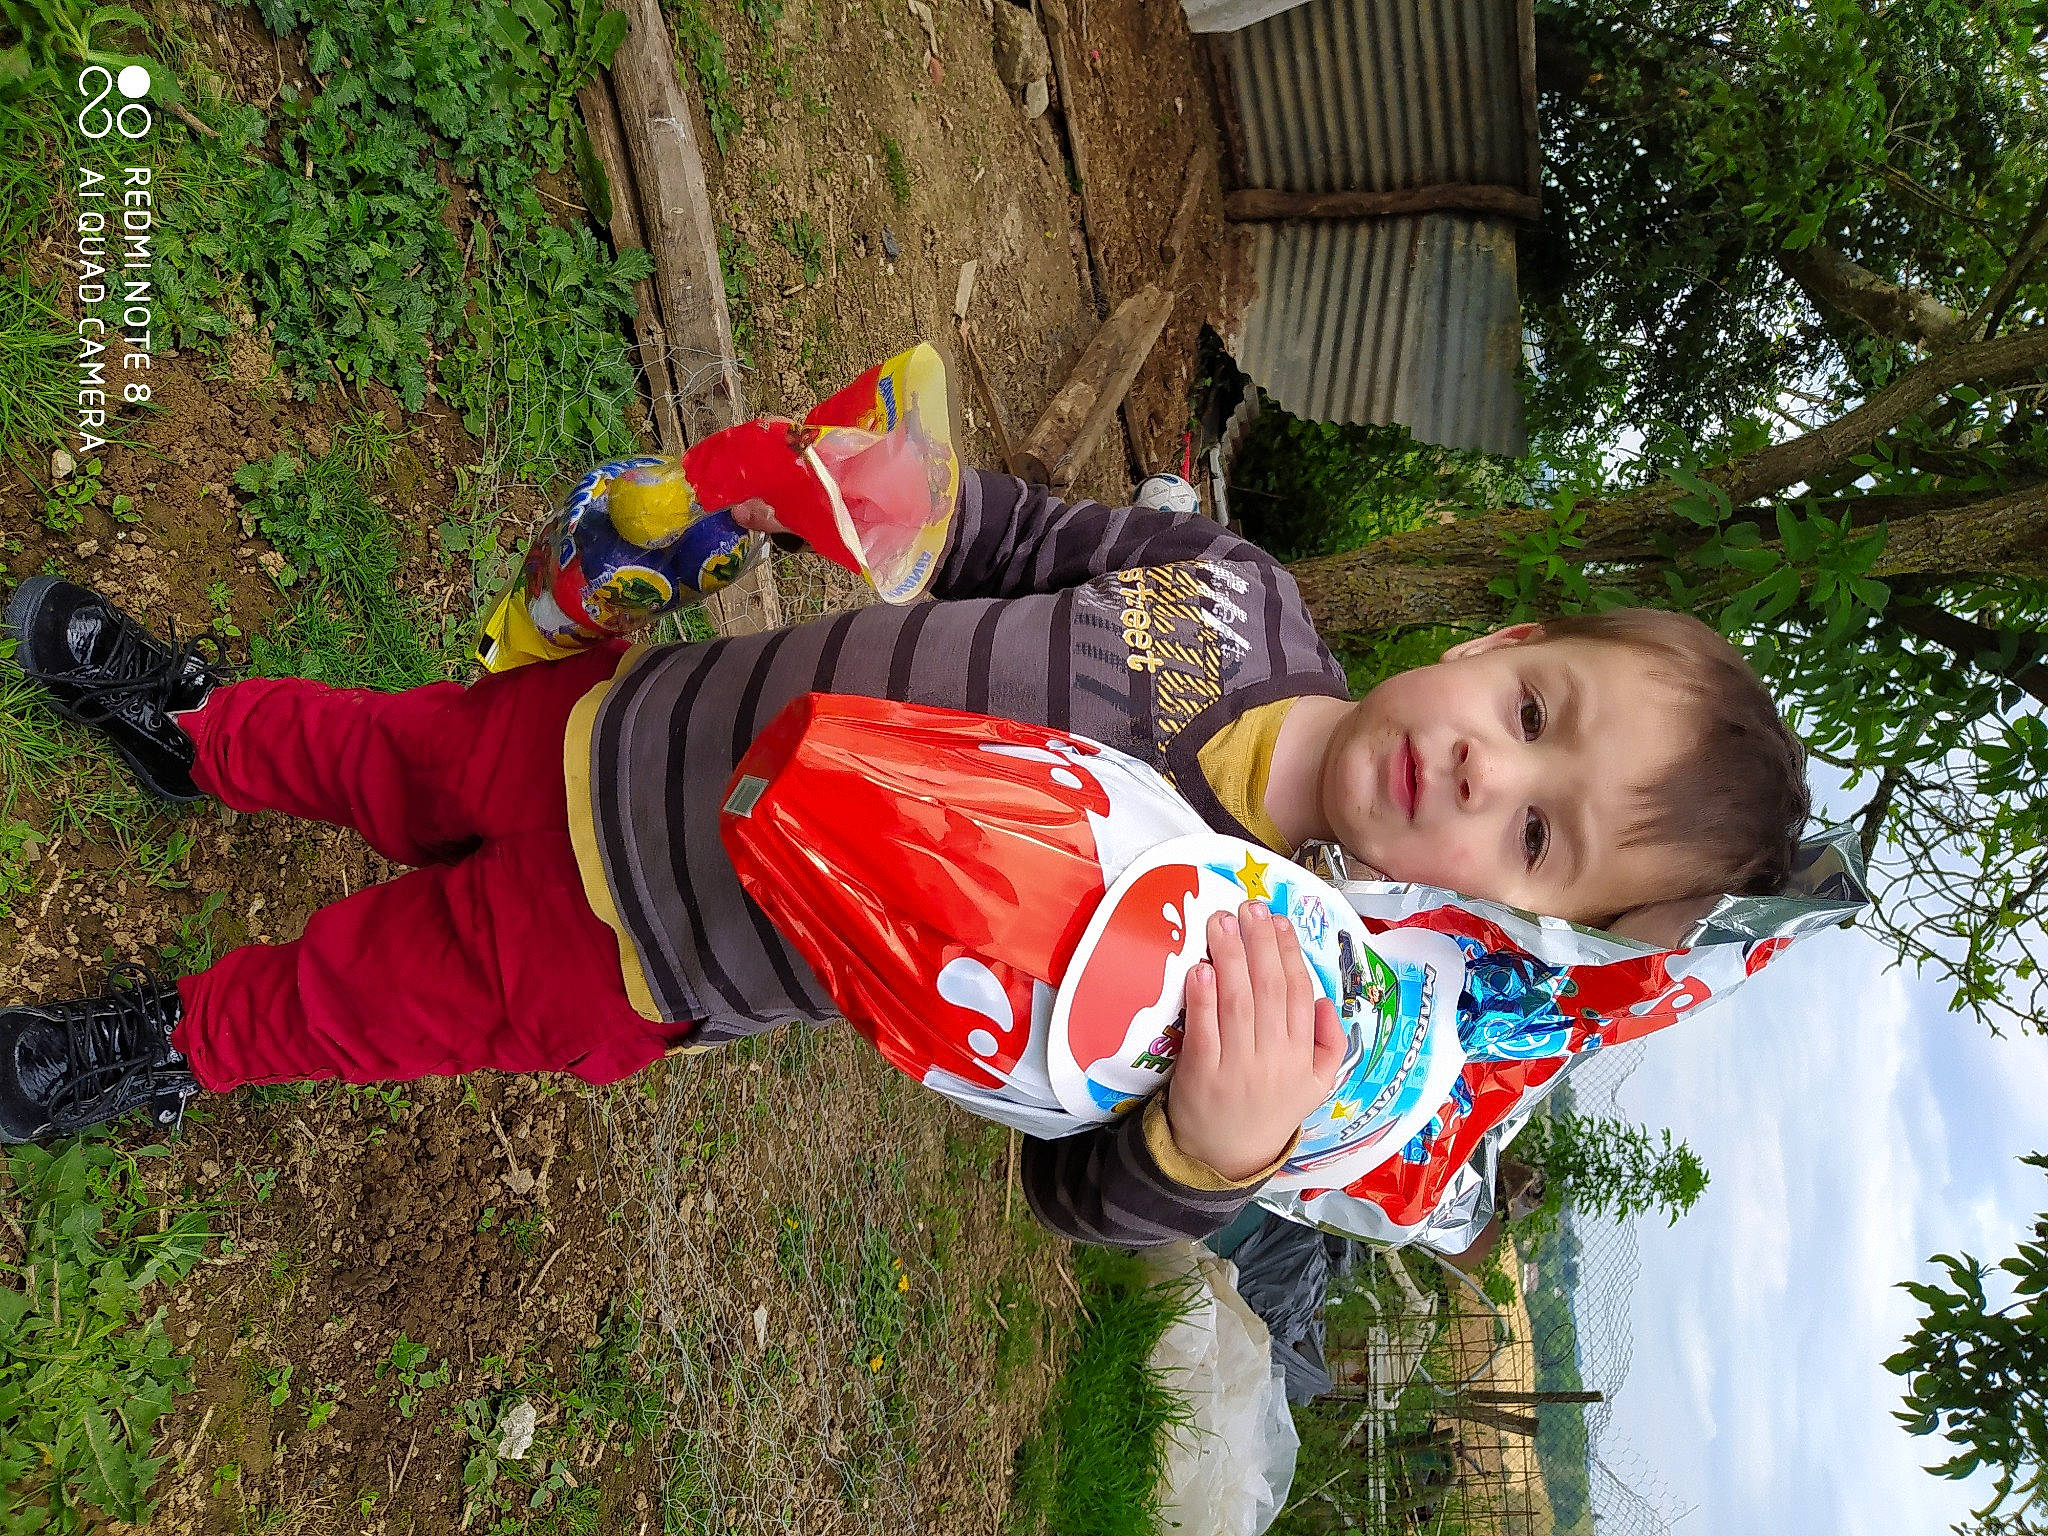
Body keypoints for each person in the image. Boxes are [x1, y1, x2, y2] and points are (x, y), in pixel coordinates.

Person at [0, 470, 1808, 1246]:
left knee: (361, 995)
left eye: (1538, 835)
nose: (1488, 768)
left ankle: (165, 1051)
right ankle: (202, 736)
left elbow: (1079, 1195)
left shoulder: (1274, 976)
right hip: (621, 722)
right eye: (1540, 707)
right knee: (377, 751)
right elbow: (1015, 540)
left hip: (651, 947)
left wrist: (1211, 1147)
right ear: (1501, 643)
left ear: (1508, 916)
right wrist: (907, 493)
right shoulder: (1238, 598)